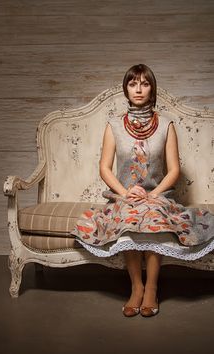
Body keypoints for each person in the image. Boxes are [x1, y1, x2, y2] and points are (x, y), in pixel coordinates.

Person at [71, 64, 214, 318]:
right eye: (133, 83)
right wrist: (125, 194)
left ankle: (152, 288)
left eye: (144, 83)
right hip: (123, 196)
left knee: (152, 213)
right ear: (126, 89)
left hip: (158, 196)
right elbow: (104, 168)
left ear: (152, 88)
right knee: (130, 214)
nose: (138, 89)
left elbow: (174, 171)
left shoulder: (166, 125)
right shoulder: (114, 125)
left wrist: (153, 194)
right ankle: (136, 287)